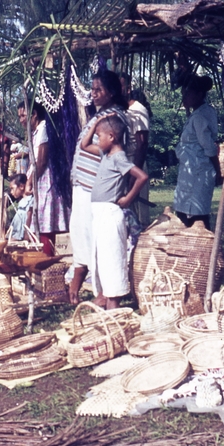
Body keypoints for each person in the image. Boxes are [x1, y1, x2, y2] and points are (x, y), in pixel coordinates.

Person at [69, 71, 129, 304]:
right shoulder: (100, 115)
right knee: (82, 233)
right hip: (83, 185)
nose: (93, 94)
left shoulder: (114, 118)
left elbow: (116, 153)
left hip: (95, 186)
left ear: (111, 92)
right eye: (92, 89)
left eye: (98, 90)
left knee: (97, 240)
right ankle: (87, 284)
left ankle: (105, 293)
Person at [80, 114, 148, 310]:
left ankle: (114, 304)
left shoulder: (119, 157)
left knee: (113, 258)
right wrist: (94, 125)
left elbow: (141, 176)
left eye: (99, 136)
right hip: (99, 214)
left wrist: (128, 198)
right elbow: (84, 145)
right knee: (101, 258)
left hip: (110, 213)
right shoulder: (105, 154)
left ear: (111, 137)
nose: (96, 140)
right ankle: (106, 297)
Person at [17, 101, 68, 256]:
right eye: (19, 116)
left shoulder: (44, 128)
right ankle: (41, 257)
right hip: (40, 179)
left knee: (45, 221)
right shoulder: (37, 131)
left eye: (23, 115)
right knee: (38, 219)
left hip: (46, 180)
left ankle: (46, 258)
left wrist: (31, 181)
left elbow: (42, 160)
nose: (21, 120)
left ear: (34, 115)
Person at [173, 74, 221, 229]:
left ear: (199, 95)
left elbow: (209, 147)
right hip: (190, 172)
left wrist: (218, 170)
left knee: (197, 216)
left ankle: (205, 248)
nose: (184, 98)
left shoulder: (201, 116)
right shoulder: (197, 114)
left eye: (188, 94)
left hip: (199, 172)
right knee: (184, 213)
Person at [118, 73, 152, 225]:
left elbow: (142, 144)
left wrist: (135, 175)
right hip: (120, 167)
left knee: (137, 213)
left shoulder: (138, 110)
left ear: (128, 88)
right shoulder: (117, 110)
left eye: (121, 86)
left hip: (134, 165)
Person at [7, 173, 34, 241]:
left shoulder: (29, 201)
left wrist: (26, 237)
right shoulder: (22, 202)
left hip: (21, 237)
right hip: (16, 234)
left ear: (21, 186)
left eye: (12, 188)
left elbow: (29, 218)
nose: (11, 192)